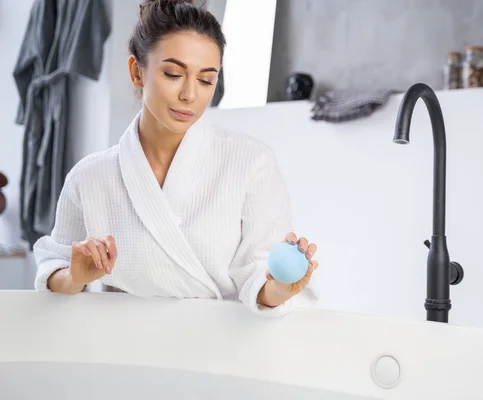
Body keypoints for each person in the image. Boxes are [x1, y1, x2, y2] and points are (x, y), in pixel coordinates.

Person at [32, 0, 319, 316]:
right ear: (136, 72)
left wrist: (279, 289)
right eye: (173, 73)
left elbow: (260, 275)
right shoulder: (90, 177)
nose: (190, 95)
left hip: (224, 347)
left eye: (206, 79)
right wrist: (74, 277)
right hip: (126, 344)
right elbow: (52, 269)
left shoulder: (251, 163)